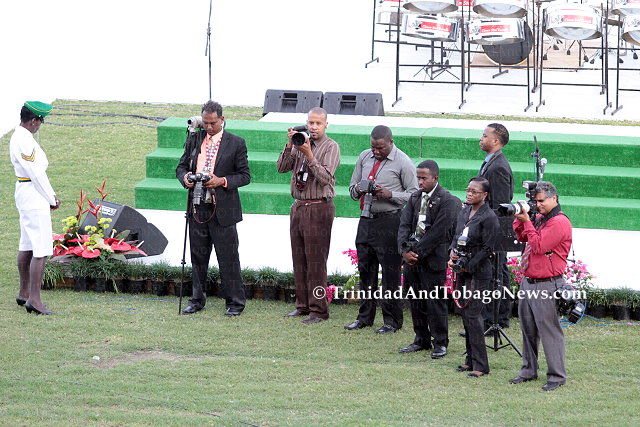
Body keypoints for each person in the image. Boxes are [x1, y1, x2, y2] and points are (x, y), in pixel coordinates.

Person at [176, 100, 250, 316]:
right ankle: (196, 300)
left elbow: (245, 176)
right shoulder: (194, 139)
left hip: (223, 210)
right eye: (205, 123)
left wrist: (221, 181)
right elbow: (181, 166)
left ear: (222, 120)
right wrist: (186, 178)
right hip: (197, 207)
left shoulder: (236, 143)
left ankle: (235, 302)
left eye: (213, 123)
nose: (209, 127)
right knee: (198, 257)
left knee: (228, 257)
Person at [344, 125, 418, 334]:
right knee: (365, 270)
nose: (376, 151)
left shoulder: (403, 161)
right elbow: (351, 189)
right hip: (366, 219)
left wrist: (390, 194)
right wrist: (359, 188)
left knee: (390, 273)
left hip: (390, 221)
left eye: (380, 148)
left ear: (390, 142)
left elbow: (415, 194)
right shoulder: (364, 157)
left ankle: (392, 321)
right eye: (373, 147)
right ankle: (364, 318)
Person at [276, 107, 340, 324]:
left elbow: (326, 179)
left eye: (318, 123)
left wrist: (309, 155)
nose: (313, 127)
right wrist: (290, 144)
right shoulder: (299, 142)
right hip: (298, 206)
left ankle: (319, 310)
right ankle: (302, 305)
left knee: (316, 262)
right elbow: (281, 168)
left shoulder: (331, 146)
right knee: (299, 259)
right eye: (310, 123)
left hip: (319, 206)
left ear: (326, 125)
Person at [510, 181, 571, 391]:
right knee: (527, 329)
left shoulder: (559, 222)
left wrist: (528, 221)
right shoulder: (540, 218)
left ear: (554, 198)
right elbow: (521, 237)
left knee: (549, 331)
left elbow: (539, 246)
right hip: (528, 282)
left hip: (547, 284)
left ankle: (557, 376)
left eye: (541, 201)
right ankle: (529, 370)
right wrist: (520, 219)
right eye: (535, 201)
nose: (538, 205)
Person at [397, 160, 460, 357]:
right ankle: (421, 339)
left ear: (435, 178)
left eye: (424, 178)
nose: (420, 182)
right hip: (412, 260)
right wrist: (404, 251)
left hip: (433, 260)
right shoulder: (415, 197)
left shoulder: (448, 200)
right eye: (418, 178)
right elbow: (404, 225)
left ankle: (440, 342)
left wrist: (416, 253)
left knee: (435, 302)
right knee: (415, 301)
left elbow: (439, 233)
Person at [10, 101, 60, 315]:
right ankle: (35, 300)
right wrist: (51, 197)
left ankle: (24, 293)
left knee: (27, 244)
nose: (40, 125)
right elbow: (36, 173)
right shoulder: (25, 140)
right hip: (33, 193)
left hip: (25, 191)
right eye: (40, 121)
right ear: (33, 120)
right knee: (41, 248)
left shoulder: (18, 136)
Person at [449, 177, 499, 377]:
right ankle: (470, 361)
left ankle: (481, 365)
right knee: (465, 315)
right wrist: (452, 254)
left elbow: (488, 249)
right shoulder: (464, 211)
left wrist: (468, 266)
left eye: (474, 192)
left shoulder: (489, 217)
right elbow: (455, 236)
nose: (469, 194)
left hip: (478, 272)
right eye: (468, 190)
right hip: (462, 269)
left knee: (473, 315)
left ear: (485, 195)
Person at [478, 123, 514, 332]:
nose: (481, 139)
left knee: (496, 273)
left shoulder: (498, 167)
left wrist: (490, 231)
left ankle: (494, 320)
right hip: (491, 225)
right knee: (496, 271)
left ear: (496, 141)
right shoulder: (492, 162)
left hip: (496, 228)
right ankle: (495, 318)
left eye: (485, 136)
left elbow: (500, 205)